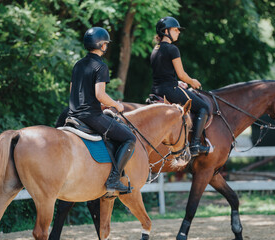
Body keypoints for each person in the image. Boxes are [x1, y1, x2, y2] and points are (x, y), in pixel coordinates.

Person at [68, 27, 136, 192]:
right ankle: (113, 179)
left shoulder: (78, 64)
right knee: (129, 138)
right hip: (91, 116)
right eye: (105, 43)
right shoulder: (100, 66)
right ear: (101, 45)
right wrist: (116, 105)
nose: (106, 45)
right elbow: (100, 94)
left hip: (72, 114)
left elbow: (72, 91)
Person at [150, 17, 211, 157]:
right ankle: (195, 144)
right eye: (175, 29)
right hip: (170, 91)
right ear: (165, 31)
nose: (178, 32)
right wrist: (192, 82)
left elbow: (162, 74)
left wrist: (177, 82)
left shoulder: (156, 49)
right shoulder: (172, 49)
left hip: (158, 89)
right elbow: (182, 74)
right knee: (204, 107)